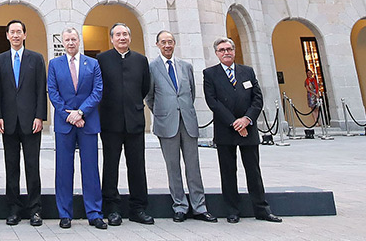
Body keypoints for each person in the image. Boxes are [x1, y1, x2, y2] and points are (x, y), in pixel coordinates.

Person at [203, 37, 282, 224]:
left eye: (229, 49)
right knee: (228, 172)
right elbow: (212, 101)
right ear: (216, 53)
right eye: (221, 50)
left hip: (249, 128)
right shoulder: (210, 74)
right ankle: (232, 210)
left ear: (234, 51)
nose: (226, 52)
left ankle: (262, 209)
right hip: (226, 130)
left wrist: (246, 120)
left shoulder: (247, 71)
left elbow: (257, 98)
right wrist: (234, 123)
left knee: (253, 171)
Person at [145, 31, 216, 223]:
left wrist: (181, 109)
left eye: (170, 42)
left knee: (193, 167)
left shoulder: (186, 66)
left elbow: (190, 93)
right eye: (163, 42)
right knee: (173, 167)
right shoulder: (152, 67)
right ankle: (180, 206)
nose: (167, 45)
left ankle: (199, 207)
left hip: (188, 122)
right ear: (157, 45)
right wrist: (164, 112)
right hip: (166, 123)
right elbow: (150, 97)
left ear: (174, 44)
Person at [47, 27, 104, 229]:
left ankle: (94, 212)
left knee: (90, 169)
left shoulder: (93, 63)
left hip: (87, 122)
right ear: (63, 42)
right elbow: (52, 92)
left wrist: (80, 113)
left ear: (79, 41)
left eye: (73, 39)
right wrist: (69, 115)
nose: (70, 43)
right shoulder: (54, 64)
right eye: (67, 40)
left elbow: (97, 91)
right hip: (65, 125)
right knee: (63, 170)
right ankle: (64, 213)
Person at [0, 19, 47, 227]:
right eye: (11, 32)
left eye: (19, 32)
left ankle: (35, 210)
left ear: (25, 35)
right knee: (11, 166)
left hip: (31, 121)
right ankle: (13, 209)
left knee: (32, 166)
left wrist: (39, 116)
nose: (15, 35)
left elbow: (41, 89)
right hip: (8, 122)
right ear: (7, 35)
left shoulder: (36, 58)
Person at [97, 23, 152, 225]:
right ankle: (112, 209)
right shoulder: (102, 59)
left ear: (130, 37)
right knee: (110, 167)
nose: (122, 38)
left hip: (135, 121)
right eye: (118, 34)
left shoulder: (140, 60)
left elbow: (145, 87)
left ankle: (138, 209)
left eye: (125, 34)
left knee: (137, 167)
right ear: (111, 39)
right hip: (110, 122)